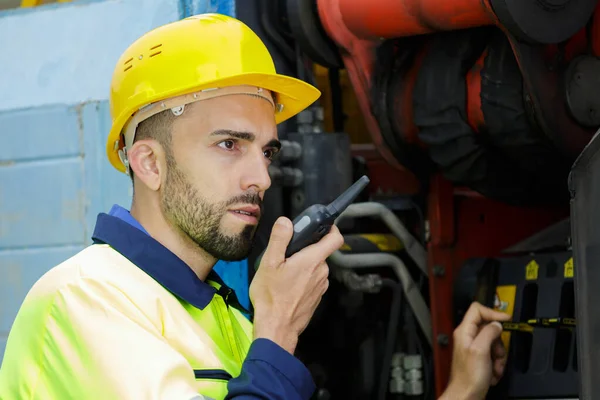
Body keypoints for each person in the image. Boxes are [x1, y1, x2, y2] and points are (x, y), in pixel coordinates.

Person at [0, 13, 509, 400]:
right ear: (149, 164)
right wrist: (279, 330)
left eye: (267, 151)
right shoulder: (83, 302)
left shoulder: (229, 320)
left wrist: (461, 392)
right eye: (229, 145)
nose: (261, 177)